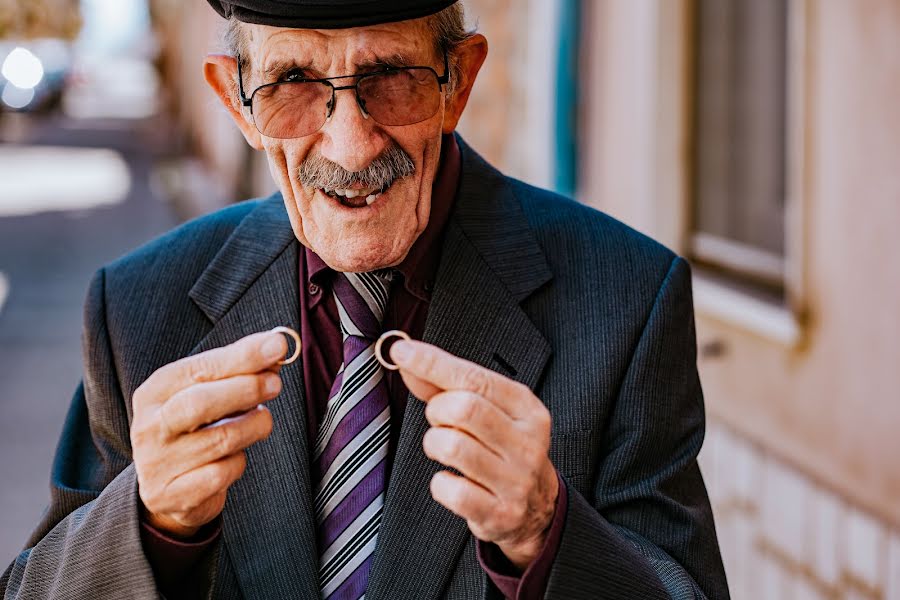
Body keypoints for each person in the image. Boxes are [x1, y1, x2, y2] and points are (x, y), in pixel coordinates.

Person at [1, 1, 729, 598]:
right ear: (236, 102)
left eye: (391, 76)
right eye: (292, 82)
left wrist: (547, 532)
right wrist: (148, 524)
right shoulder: (136, 307)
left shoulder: (627, 297)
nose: (350, 147)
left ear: (459, 83)